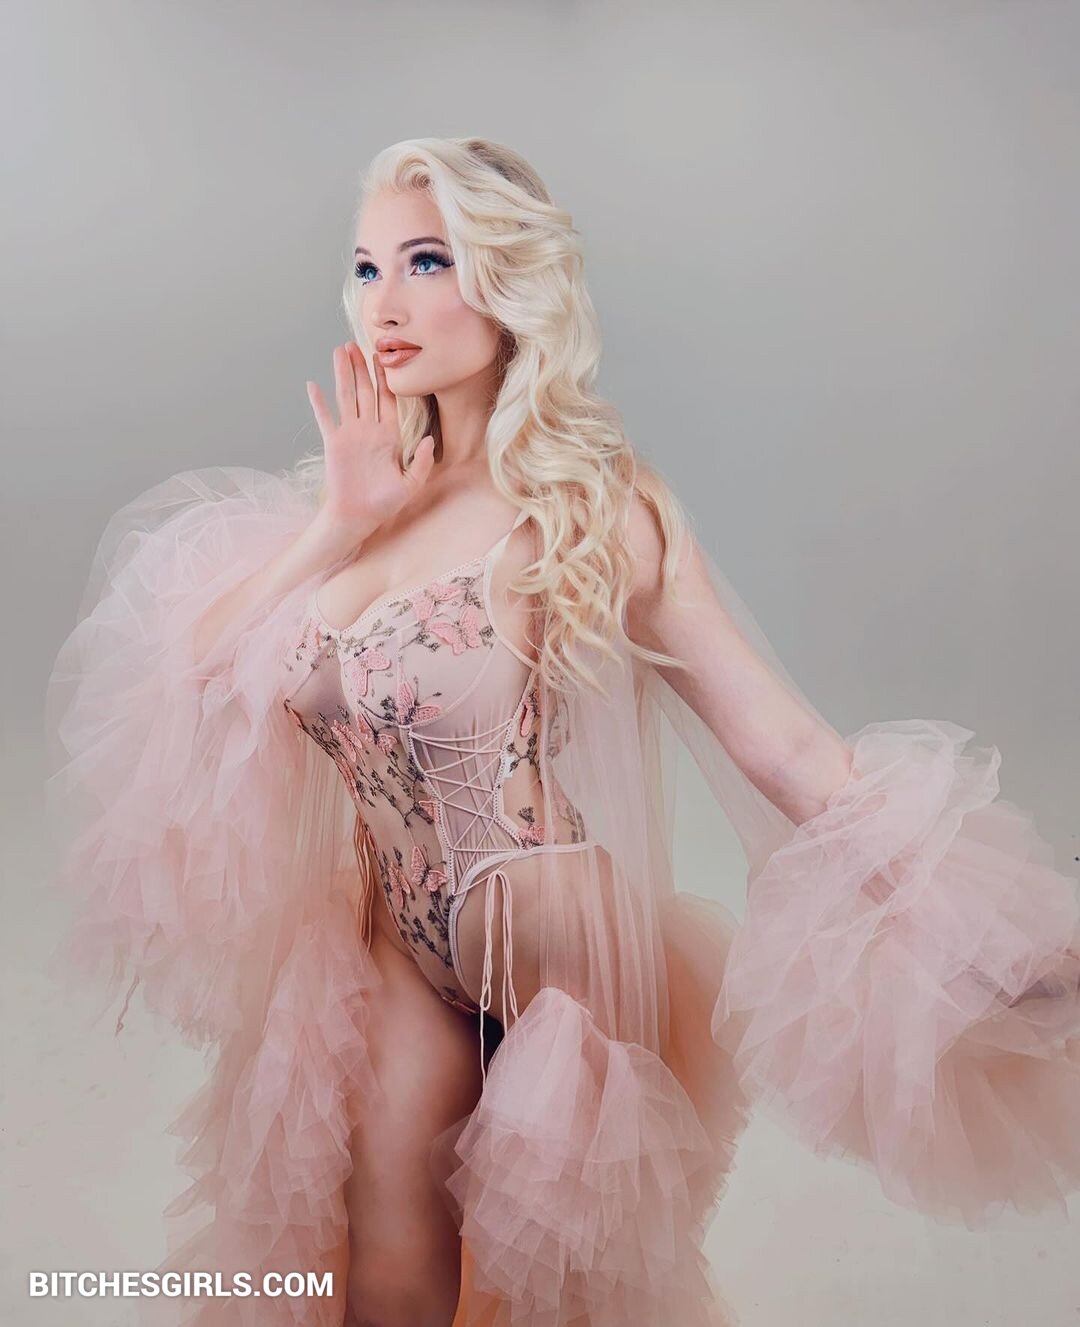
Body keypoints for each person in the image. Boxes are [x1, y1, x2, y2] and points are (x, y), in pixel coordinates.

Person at [44, 136, 1080, 1327]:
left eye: (427, 261)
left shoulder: (589, 508)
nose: (387, 302)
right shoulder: (362, 497)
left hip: (551, 942)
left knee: (563, 1296)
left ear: (508, 281)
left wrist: (974, 941)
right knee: (384, 1286)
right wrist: (337, 521)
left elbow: (782, 746)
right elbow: (187, 683)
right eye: (367, 267)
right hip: (399, 948)